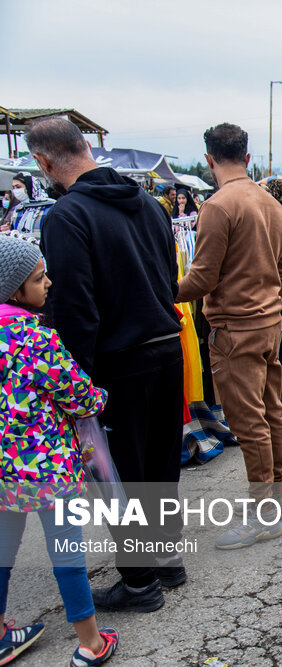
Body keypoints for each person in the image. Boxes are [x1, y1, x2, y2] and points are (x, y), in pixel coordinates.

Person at [28, 117, 185, 613]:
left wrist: (76, 383)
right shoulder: (151, 205)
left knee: (121, 471)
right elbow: (168, 278)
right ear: (85, 148)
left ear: (44, 162)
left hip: (119, 360)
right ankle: (166, 561)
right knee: (160, 461)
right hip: (165, 345)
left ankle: (140, 582)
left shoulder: (67, 217)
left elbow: (75, 307)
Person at [0, 235, 119, 667]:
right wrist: (101, 396)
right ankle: (90, 641)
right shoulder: (34, 338)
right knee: (67, 552)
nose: (48, 282)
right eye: (38, 277)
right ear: (15, 291)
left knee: (2, 551)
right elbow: (80, 396)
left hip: (3, 473)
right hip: (49, 469)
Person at [176, 123, 282, 549]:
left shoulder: (218, 206)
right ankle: (275, 498)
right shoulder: (270, 202)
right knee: (270, 412)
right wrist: (268, 305)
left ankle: (265, 514)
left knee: (249, 423)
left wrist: (162, 290)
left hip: (235, 329)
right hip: (268, 324)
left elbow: (202, 277)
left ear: (209, 160)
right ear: (247, 156)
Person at [3, 173, 55, 238]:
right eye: (13, 187)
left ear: (29, 187)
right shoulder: (18, 209)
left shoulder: (50, 208)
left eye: (18, 187)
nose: (15, 190)